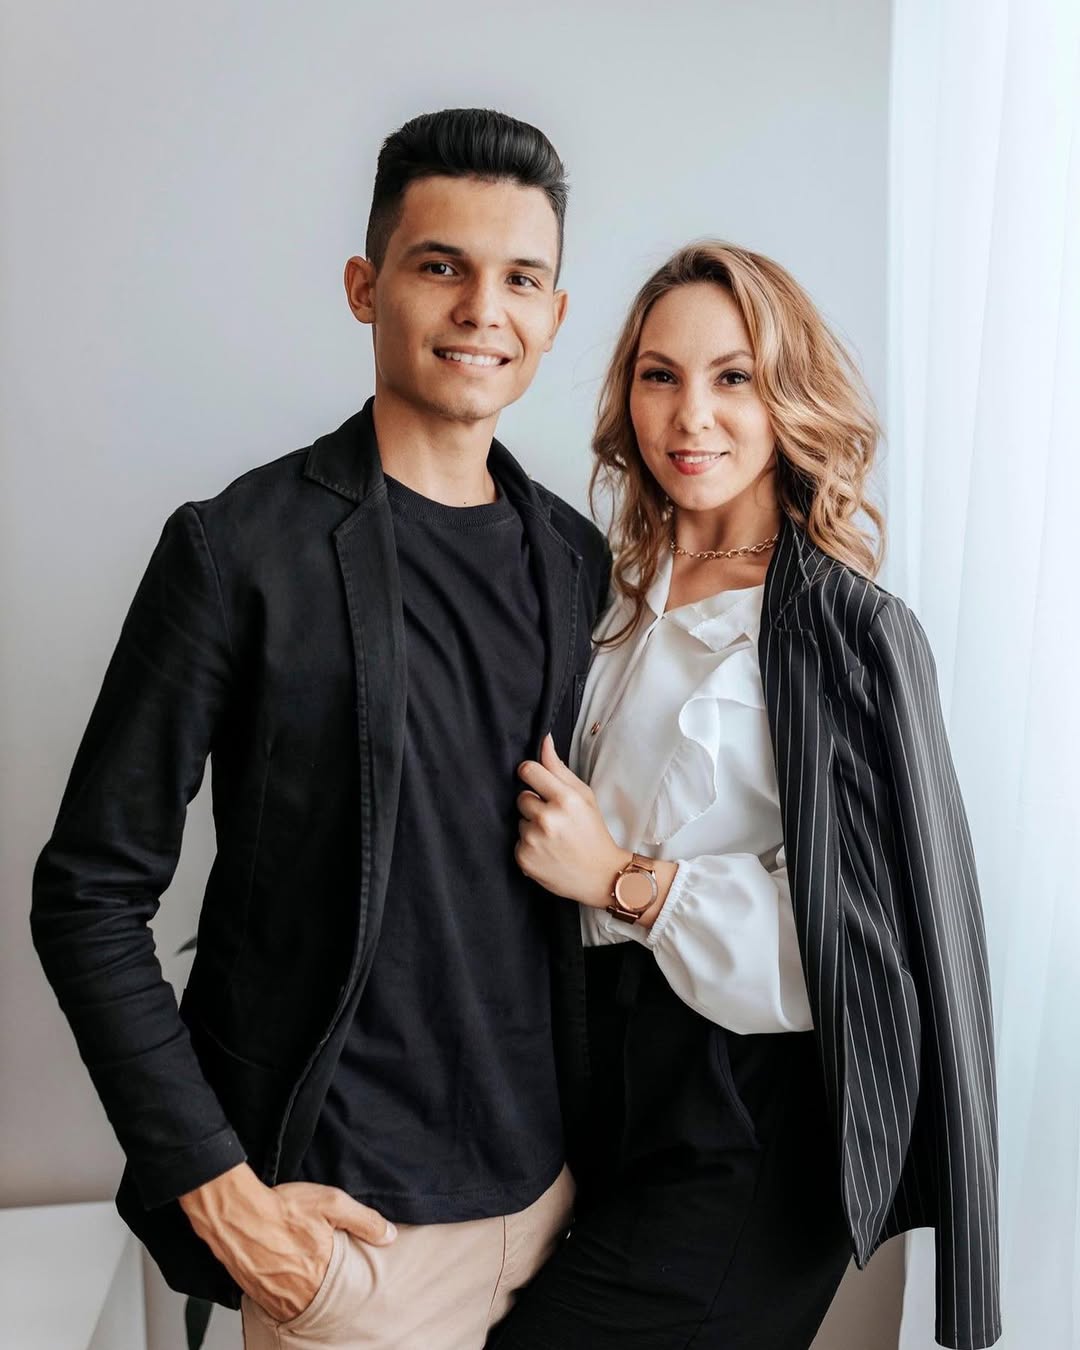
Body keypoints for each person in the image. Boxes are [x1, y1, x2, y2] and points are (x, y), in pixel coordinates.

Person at [31, 108, 610, 1350]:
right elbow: (86, 893)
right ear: (365, 286)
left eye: (521, 279)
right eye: (441, 265)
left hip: (559, 1211)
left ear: (557, 315)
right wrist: (218, 1190)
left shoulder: (579, 561)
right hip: (350, 1241)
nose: (483, 309)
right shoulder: (237, 550)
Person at [491, 243, 1000, 1350]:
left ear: (787, 398)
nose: (692, 415)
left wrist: (622, 880)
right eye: (660, 375)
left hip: (746, 1128)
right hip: (596, 1104)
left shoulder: (842, 631)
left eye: (734, 377)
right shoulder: (604, 596)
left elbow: (858, 949)